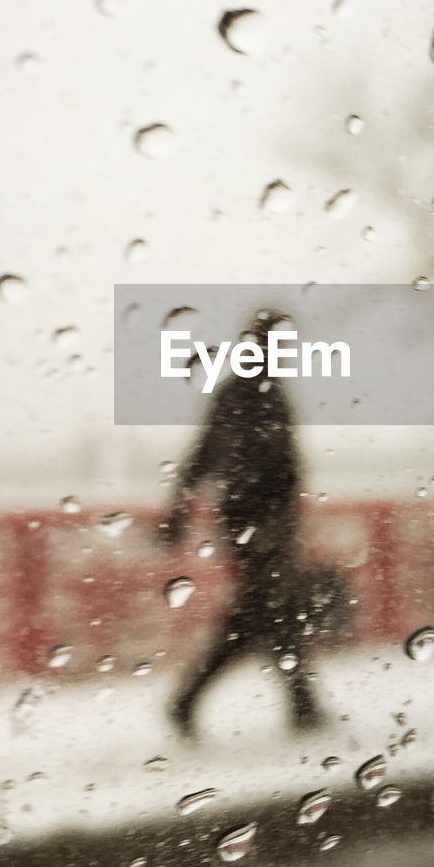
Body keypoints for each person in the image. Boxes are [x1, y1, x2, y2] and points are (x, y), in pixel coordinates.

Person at [160, 309, 326, 738]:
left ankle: (300, 703)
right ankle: (190, 699)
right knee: (263, 611)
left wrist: (180, 508)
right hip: (254, 523)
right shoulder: (247, 392)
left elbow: (208, 454)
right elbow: (210, 452)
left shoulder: (258, 390)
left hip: (262, 521)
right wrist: (179, 508)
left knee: (271, 611)